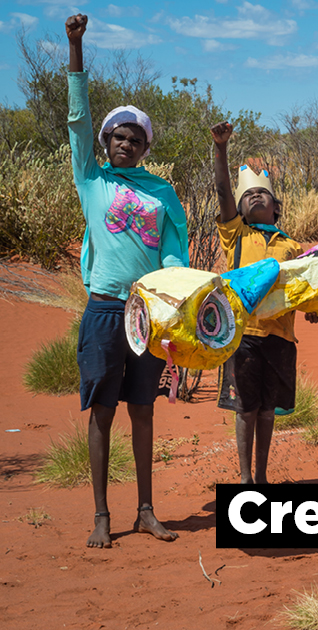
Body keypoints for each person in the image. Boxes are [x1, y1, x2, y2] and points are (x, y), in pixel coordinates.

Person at [66, 13, 186, 547]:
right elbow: (76, 117)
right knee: (102, 411)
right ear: (106, 139)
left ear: (145, 147)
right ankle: (100, 516)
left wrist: (175, 310)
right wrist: (76, 49)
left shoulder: (161, 193)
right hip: (104, 310)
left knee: (143, 410)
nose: (126, 144)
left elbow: (175, 253)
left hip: (147, 313)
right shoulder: (92, 179)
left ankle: (145, 510)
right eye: (118, 135)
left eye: (135, 139)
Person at [210, 122, 318, 485]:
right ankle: (245, 478)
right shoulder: (237, 235)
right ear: (240, 209)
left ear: (277, 207)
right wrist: (221, 148)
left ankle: (261, 477)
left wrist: (317, 308)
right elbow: (222, 190)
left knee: (267, 411)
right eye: (249, 195)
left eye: (263, 194)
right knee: (245, 409)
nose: (256, 197)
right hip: (244, 337)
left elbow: (302, 287)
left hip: (281, 338)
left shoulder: (291, 247)